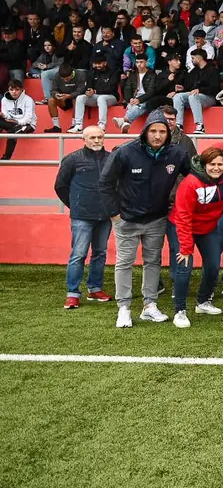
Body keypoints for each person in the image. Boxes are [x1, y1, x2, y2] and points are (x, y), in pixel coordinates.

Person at [99, 109, 191, 328]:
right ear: (145, 132)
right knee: (125, 262)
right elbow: (105, 183)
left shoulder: (177, 154)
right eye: (153, 131)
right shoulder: (125, 152)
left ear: (168, 132)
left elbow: (195, 175)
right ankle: (124, 307)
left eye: (162, 131)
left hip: (157, 218)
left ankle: (150, 305)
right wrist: (114, 214)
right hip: (127, 219)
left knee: (153, 262)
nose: (157, 135)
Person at [168, 147, 223, 328]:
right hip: (182, 226)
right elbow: (183, 217)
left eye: (220, 164)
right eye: (212, 164)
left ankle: (202, 302)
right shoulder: (190, 183)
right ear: (204, 165)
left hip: (207, 228)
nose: (216, 168)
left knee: (212, 266)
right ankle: (180, 311)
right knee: (184, 267)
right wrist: (186, 248)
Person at [56, 126, 114, 309]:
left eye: (99, 137)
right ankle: (73, 293)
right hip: (82, 216)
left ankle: (95, 289)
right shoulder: (72, 159)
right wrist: (75, 205)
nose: (96, 141)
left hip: (105, 216)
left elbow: (117, 184)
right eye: (92, 138)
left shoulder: (112, 158)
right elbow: (60, 186)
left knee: (100, 253)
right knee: (78, 254)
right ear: (84, 139)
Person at [69, 53, 119, 133]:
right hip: (96, 97)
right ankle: (78, 125)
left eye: (99, 63)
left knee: (101, 98)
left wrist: (95, 91)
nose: (97, 65)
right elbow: (89, 86)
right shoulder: (91, 73)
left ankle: (102, 125)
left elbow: (111, 88)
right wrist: (88, 91)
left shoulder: (113, 72)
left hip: (111, 97)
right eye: (95, 63)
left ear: (105, 63)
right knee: (80, 98)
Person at [173, 48, 220, 134]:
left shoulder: (213, 70)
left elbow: (215, 89)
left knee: (193, 96)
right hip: (194, 96)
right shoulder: (194, 71)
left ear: (199, 59)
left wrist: (200, 90)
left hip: (210, 97)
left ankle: (200, 125)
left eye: (193, 58)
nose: (192, 60)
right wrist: (183, 89)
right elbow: (190, 86)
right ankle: (178, 125)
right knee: (178, 97)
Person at [0, 78, 37, 160]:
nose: (14, 92)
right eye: (11, 89)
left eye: (17, 90)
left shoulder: (28, 100)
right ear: (8, 89)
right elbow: (7, 115)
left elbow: (28, 119)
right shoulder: (4, 99)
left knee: (12, 131)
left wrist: (16, 121)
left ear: (21, 90)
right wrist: (3, 115)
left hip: (27, 125)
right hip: (12, 123)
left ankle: (7, 156)